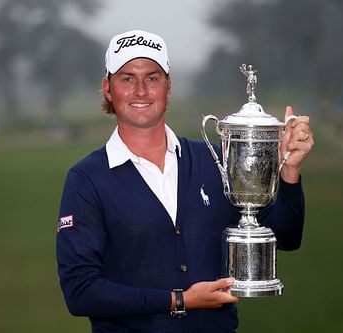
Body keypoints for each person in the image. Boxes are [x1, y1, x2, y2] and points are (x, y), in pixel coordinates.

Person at [56, 29, 314, 332]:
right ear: (108, 89)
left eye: (152, 78)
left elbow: (286, 236)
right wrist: (179, 300)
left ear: (168, 86)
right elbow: (81, 292)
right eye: (127, 78)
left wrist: (289, 171)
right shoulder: (86, 179)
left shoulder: (214, 161)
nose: (141, 90)